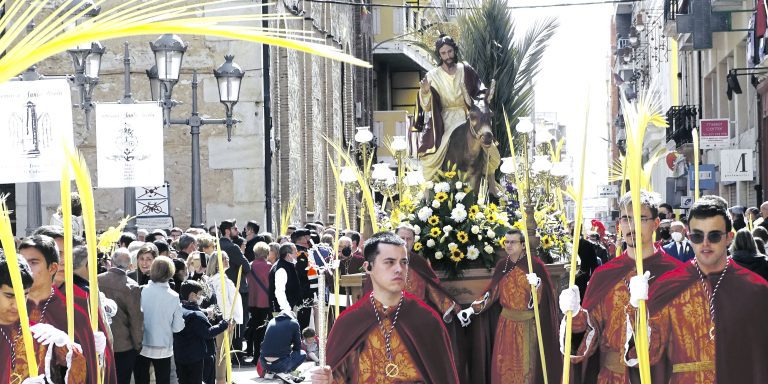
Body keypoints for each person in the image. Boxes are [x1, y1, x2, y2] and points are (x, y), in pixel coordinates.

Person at [630, 195, 768, 382]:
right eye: (697, 236)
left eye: (714, 235)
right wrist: (637, 311)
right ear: (689, 237)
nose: (705, 243)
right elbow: (648, 355)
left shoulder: (755, 289)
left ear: (729, 237)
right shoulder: (669, 286)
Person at [558, 190, 682, 383]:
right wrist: (575, 317)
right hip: (610, 377)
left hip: (660, 376)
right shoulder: (604, 275)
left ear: (655, 224)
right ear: (619, 225)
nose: (631, 226)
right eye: (626, 219)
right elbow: (588, 342)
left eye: (640, 219)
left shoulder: (675, 274)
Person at [308, 231, 459, 383]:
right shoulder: (349, 321)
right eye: (389, 262)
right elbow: (337, 378)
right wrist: (326, 380)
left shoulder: (427, 319)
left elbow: (444, 377)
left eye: (404, 262)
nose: (399, 269)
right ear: (368, 267)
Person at [458, 229, 561, 383]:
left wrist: (538, 285)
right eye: (506, 241)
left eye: (513, 242)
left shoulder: (535, 266)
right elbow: (491, 293)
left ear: (523, 245)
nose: (508, 245)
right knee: (504, 367)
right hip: (505, 326)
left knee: (526, 369)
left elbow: (547, 298)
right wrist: (471, 309)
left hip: (527, 327)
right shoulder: (502, 265)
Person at [19, 235, 107, 383]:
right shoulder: (8, 308)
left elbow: (87, 371)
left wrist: (92, 352)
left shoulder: (75, 312)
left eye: (33, 262)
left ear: (53, 267)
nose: (24, 268)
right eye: (21, 262)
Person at [414, 34, 499, 185]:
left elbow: (480, 91)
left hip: (467, 115)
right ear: (439, 54)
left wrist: (483, 98)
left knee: (489, 147)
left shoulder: (465, 69)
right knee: (437, 151)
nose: (447, 56)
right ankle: (432, 186)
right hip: (445, 120)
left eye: (450, 51)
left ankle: (492, 184)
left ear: (454, 50)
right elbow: (426, 107)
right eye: (443, 53)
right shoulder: (432, 75)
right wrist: (426, 91)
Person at [0, 252, 87, 383]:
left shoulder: (38, 333)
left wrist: (67, 346)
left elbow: (78, 370)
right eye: (9, 295)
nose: (17, 304)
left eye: (24, 295)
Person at [135, 256, 185, 384]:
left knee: (141, 379)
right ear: (170, 272)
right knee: (163, 379)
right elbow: (178, 327)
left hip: (142, 343)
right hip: (163, 345)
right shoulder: (174, 296)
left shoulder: (141, 290)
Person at [98, 247, 144, 384]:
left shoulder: (96, 280)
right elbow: (136, 319)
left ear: (111, 262)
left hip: (100, 340)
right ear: (130, 266)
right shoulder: (132, 286)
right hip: (123, 345)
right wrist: (138, 345)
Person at [174, 280, 230, 384]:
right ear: (192, 295)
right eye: (200, 295)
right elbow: (207, 333)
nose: (201, 297)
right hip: (195, 357)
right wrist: (223, 325)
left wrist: (204, 312)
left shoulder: (179, 309)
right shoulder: (195, 316)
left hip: (180, 355)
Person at [206, 250, 243, 383]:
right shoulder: (218, 279)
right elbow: (223, 303)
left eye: (227, 257)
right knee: (222, 351)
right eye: (223, 259)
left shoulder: (222, 277)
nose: (227, 260)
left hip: (227, 319)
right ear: (216, 263)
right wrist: (228, 320)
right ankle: (221, 380)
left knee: (224, 351)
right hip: (224, 320)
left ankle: (225, 378)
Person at [258, 310, 306, 381]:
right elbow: (298, 346)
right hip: (281, 364)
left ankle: (271, 372)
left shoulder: (271, 321)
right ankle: (284, 372)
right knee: (302, 353)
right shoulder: (294, 323)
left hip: (263, 363)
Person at [245, 242, 273, 360]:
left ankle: (252, 352)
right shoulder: (269, 266)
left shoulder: (250, 265)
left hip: (252, 301)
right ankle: (260, 355)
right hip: (266, 301)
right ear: (266, 253)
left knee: (254, 326)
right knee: (264, 328)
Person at [269, 243, 304, 314]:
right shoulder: (281, 269)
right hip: (282, 311)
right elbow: (279, 292)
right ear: (288, 255)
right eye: (295, 252)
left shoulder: (287, 265)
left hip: (288, 308)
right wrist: (287, 310)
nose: (297, 254)